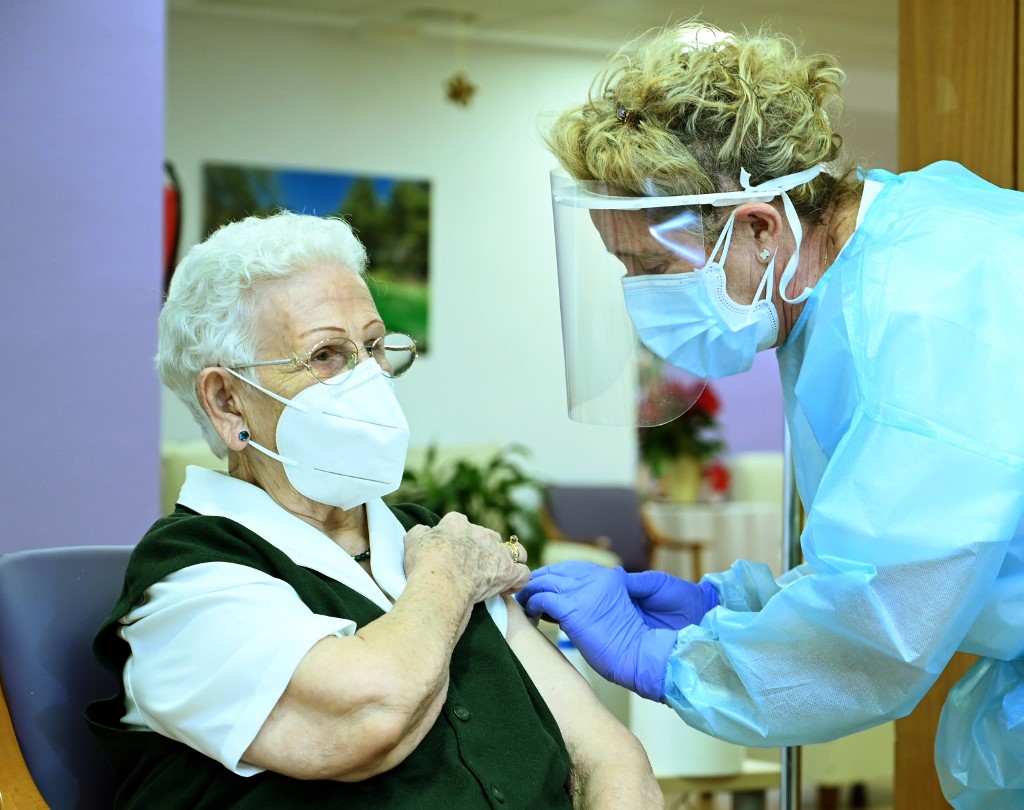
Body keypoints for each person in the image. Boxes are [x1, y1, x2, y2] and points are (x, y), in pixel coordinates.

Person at [516, 18, 1024, 809]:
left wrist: (675, 662)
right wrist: (732, 607)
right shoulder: (856, 270)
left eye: (651, 268)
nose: (639, 298)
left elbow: (880, 623)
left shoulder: (923, 311)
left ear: (757, 226)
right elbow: (892, 545)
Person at [86, 211, 662, 809]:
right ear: (228, 401)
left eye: (374, 347)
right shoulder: (189, 580)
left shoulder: (418, 536)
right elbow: (369, 715)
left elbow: (609, 755)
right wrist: (448, 579)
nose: (369, 378)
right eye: (327, 355)